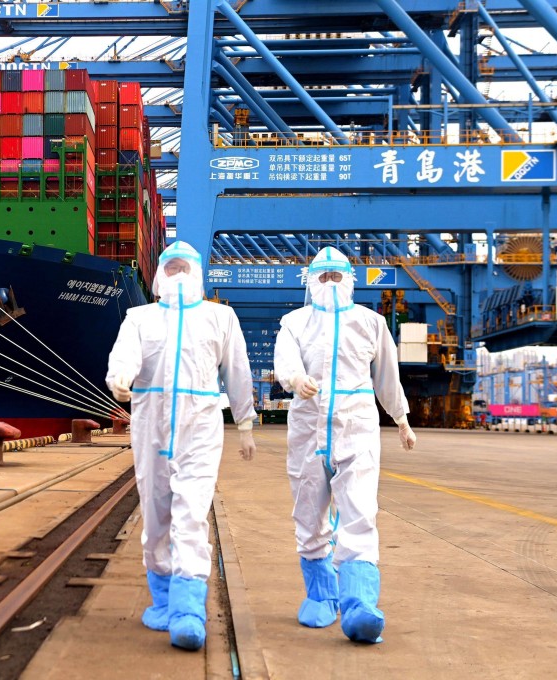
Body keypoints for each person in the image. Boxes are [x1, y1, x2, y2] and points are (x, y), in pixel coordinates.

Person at [105, 240, 257, 651]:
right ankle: (164, 600)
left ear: (198, 274)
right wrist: (118, 376)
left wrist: (245, 421)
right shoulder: (139, 317)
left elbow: (237, 370)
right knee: (155, 513)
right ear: (157, 275)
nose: (177, 275)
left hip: (200, 425)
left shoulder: (220, 317)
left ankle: (189, 610)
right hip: (150, 422)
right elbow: (125, 355)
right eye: (170, 267)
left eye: (184, 267)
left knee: (191, 512)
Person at [273, 246, 417, 644]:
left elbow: (387, 375)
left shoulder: (370, 323)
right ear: (311, 281)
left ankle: (360, 606)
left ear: (350, 280)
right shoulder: (295, 322)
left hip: (356, 425)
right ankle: (321, 596)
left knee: (359, 511)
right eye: (324, 277)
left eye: (338, 277)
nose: (331, 284)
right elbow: (284, 360)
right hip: (307, 425)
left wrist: (401, 419)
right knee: (308, 511)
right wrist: (296, 379)